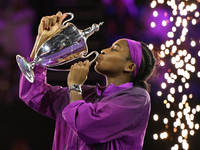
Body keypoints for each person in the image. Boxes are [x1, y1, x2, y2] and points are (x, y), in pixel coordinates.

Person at [19, 11, 156, 150]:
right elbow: (33, 94)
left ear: (130, 66)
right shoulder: (89, 94)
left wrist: (75, 87)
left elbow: (86, 126)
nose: (103, 50)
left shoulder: (137, 99)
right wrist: (42, 40)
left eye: (115, 49)